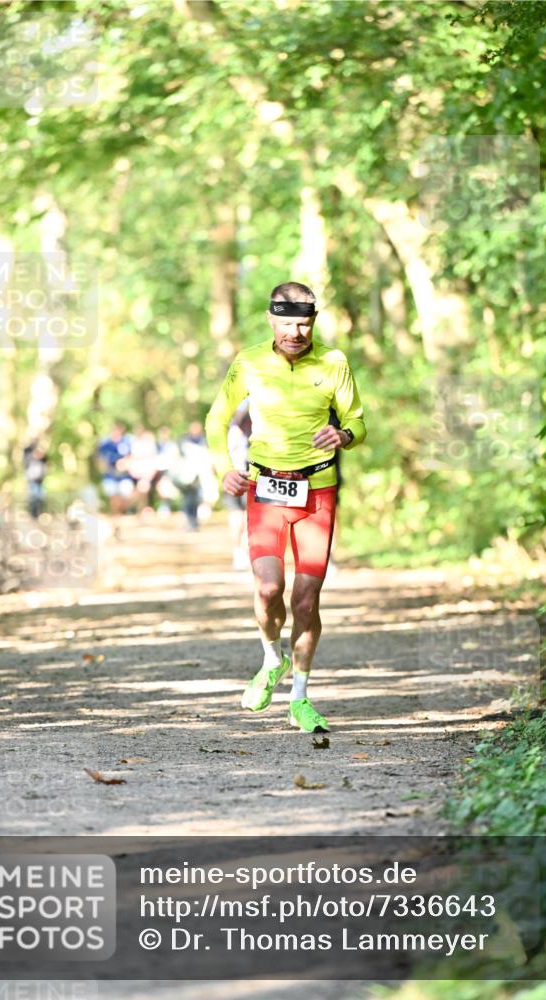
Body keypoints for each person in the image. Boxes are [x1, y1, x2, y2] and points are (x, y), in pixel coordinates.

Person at [205, 281, 366, 733]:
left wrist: (345, 435)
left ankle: (300, 696)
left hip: (318, 492)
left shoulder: (333, 363)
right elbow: (217, 418)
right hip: (266, 490)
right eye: (287, 322)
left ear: (313, 320)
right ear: (271, 320)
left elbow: (357, 419)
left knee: (306, 598)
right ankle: (270, 659)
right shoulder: (249, 362)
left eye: (304, 322)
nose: (296, 331)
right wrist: (224, 468)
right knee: (268, 591)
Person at [225, 401, 252, 570]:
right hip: (240, 474)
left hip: (240, 474)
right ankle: (239, 551)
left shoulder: (232, 429)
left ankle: (241, 551)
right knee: (240, 515)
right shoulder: (237, 430)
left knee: (242, 515)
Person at [97, 421, 135, 525]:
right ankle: (115, 520)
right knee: (114, 498)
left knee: (126, 498)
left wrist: (124, 464)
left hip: (124, 476)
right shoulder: (105, 444)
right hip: (110, 476)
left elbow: (132, 457)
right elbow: (100, 460)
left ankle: (120, 516)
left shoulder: (127, 442)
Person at [22, 441, 48, 519]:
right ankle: (33, 514)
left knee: (41, 497)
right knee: (33, 497)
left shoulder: (42, 460)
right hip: (32, 481)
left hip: (40, 481)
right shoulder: (29, 459)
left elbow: (46, 461)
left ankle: (38, 512)